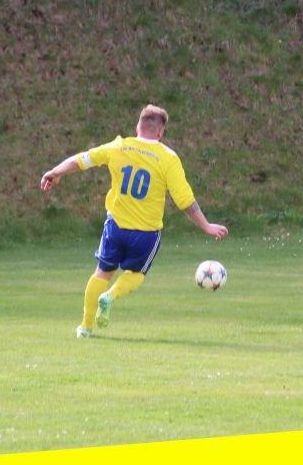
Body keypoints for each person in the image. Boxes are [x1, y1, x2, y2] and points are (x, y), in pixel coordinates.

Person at [41, 104, 228, 338]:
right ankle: (110, 296)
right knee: (136, 274)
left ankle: (86, 327)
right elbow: (185, 201)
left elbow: (81, 160)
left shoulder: (119, 146)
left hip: (115, 227)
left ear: (137, 126)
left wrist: (55, 172)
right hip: (146, 233)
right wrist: (206, 226)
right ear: (160, 132)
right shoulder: (168, 158)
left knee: (102, 273)